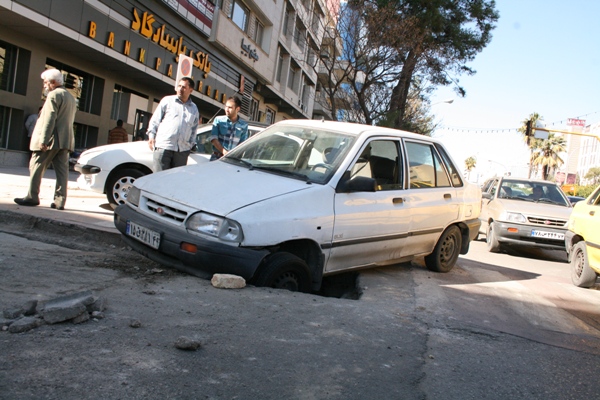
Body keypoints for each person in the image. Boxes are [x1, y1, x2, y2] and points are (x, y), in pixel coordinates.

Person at [14, 69, 77, 210]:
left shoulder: (54, 95)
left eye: (46, 82)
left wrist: (44, 139)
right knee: (62, 172)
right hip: (65, 140)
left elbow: (50, 118)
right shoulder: (70, 97)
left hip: (51, 140)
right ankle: (60, 201)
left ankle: (32, 197)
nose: (44, 85)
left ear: (53, 82)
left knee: (36, 165)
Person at [147, 77, 199, 171]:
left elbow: (194, 129)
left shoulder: (194, 108)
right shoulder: (167, 101)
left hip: (182, 151)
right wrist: (151, 136)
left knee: (174, 181)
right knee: (159, 179)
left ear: (190, 90)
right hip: (164, 147)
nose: (180, 89)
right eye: (179, 86)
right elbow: (155, 120)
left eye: (184, 87)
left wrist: (190, 145)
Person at [210, 96, 249, 160]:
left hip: (232, 159)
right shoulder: (219, 120)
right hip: (217, 157)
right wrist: (224, 152)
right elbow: (214, 139)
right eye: (226, 106)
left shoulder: (243, 125)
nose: (227, 110)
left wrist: (234, 155)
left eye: (230, 107)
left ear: (237, 109)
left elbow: (243, 144)